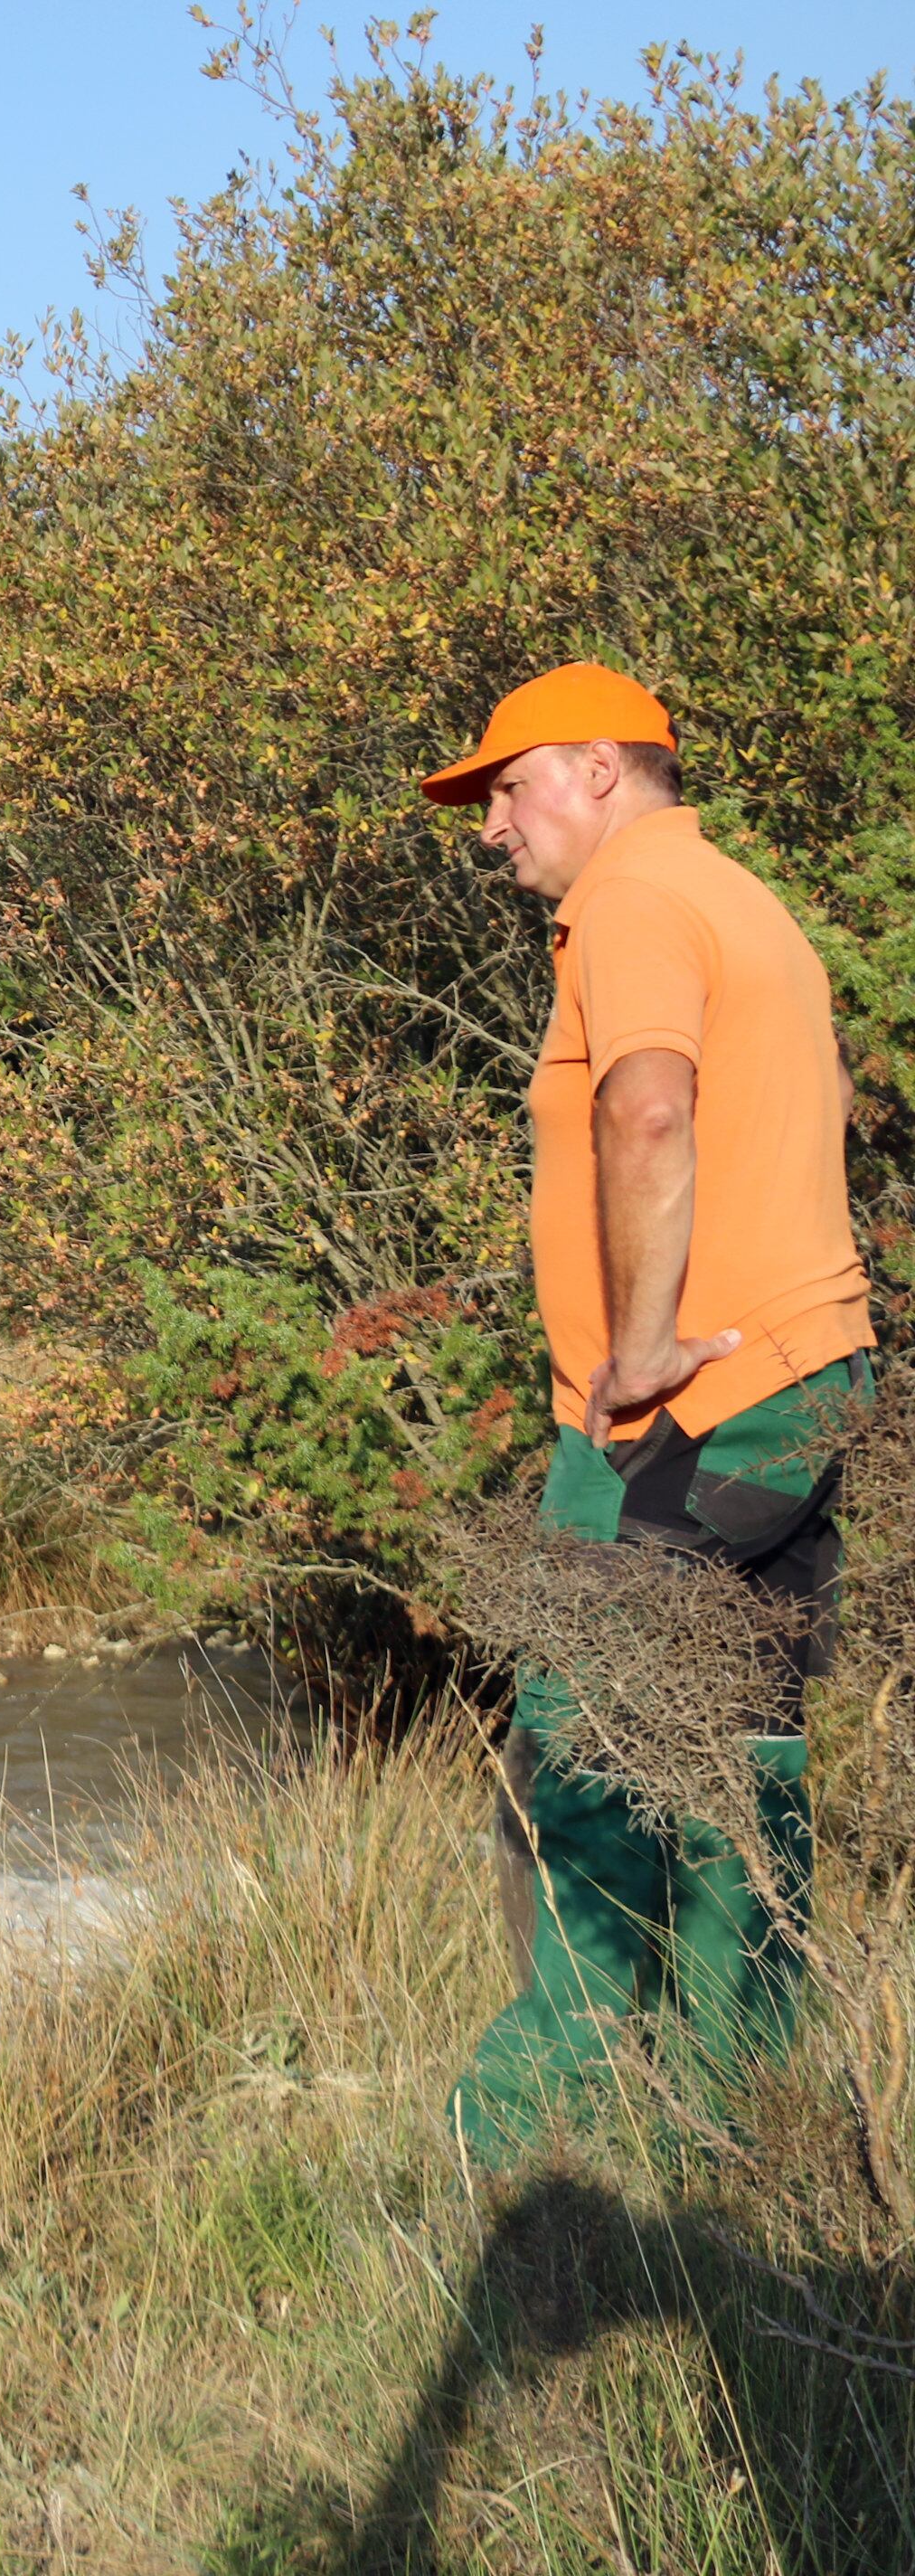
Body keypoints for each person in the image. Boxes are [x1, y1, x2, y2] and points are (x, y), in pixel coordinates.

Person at [426, 662, 875, 2157]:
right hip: (799, 1388)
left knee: (590, 1746)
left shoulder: (625, 905)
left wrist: (632, 1349)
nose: (491, 827)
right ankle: (748, 2100)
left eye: (505, 788)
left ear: (600, 768)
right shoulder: (739, 899)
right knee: (739, 1744)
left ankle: (527, 2134)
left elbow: (650, 1107)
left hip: (685, 1409)